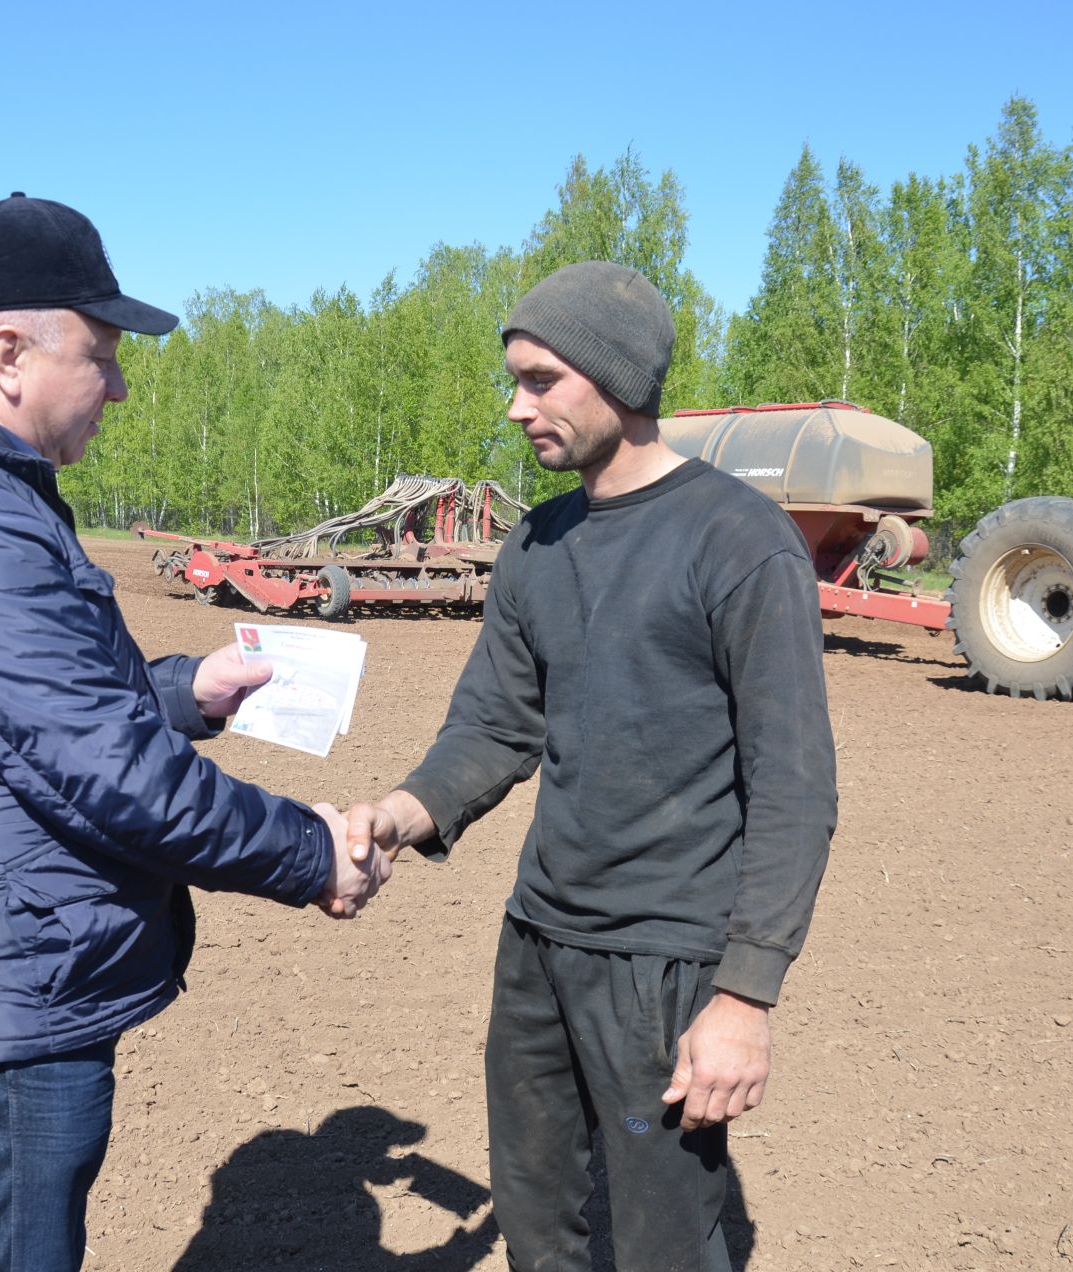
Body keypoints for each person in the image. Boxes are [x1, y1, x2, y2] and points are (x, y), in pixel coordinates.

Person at [0, 193, 390, 1272]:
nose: (119, 386)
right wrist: (310, 854)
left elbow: (21, 707)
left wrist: (186, 692)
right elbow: (104, 770)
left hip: (3, 957)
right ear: (11, 350)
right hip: (12, 985)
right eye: (104, 354)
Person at [345, 261, 837, 1270]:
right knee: (538, 1225)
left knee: (663, 1244)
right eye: (516, 381)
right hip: (539, 942)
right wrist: (400, 813)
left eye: (541, 380)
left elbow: (794, 786)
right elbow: (496, 723)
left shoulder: (738, 542)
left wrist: (743, 1001)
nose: (517, 407)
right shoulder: (540, 541)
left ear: (617, 376)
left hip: (665, 959)